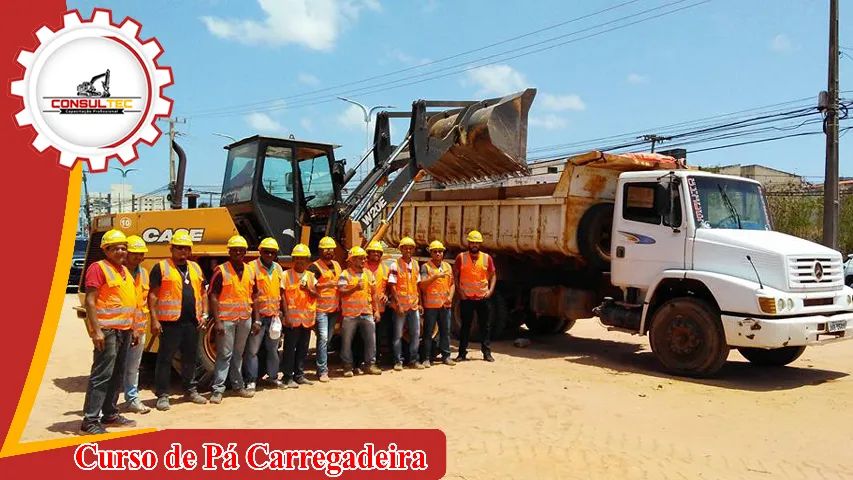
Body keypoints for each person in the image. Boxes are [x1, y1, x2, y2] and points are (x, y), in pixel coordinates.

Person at [80, 230, 138, 434]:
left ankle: (110, 413)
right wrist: (96, 331)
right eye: (116, 248)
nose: (121, 251)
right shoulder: (98, 268)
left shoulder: (124, 270)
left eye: (123, 247)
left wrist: (134, 328)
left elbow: (129, 301)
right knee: (102, 375)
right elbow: (90, 301)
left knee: (117, 374)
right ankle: (90, 420)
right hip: (107, 330)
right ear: (106, 250)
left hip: (124, 330)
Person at [148, 230, 209, 411]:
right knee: (165, 359)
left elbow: (203, 292)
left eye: (186, 248)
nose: (183, 251)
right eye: (179, 248)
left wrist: (205, 314)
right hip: (170, 322)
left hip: (192, 322)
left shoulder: (196, 268)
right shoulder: (161, 267)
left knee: (190, 358)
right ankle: (163, 395)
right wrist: (154, 320)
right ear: (171, 248)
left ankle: (190, 390)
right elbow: (152, 295)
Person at [208, 235, 257, 404]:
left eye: (241, 250)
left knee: (238, 354)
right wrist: (218, 321)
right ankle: (218, 390)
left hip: (244, 319)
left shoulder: (250, 270)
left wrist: (256, 319)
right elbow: (213, 296)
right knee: (224, 354)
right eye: (234, 250)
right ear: (229, 251)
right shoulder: (221, 271)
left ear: (245, 252)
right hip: (226, 320)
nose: (238, 252)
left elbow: (255, 296)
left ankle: (238, 386)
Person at [244, 237, 284, 391]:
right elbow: (250, 293)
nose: (269, 255)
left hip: (273, 317)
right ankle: (251, 380)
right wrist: (256, 319)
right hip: (258, 317)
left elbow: (280, 292)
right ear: (260, 251)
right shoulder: (251, 267)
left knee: (273, 350)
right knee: (252, 351)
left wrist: (280, 312)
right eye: (266, 252)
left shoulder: (278, 269)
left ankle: (273, 377)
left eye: (272, 252)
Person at [337, 246, 382, 377]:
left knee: (370, 340)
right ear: (351, 260)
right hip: (350, 315)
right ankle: (347, 366)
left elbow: (374, 294)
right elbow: (341, 291)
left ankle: (370, 364)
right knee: (346, 341)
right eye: (360, 258)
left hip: (366, 312)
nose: (363, 261)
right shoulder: (345, 274)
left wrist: (377, 311)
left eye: (364, 258)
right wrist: (355, 287)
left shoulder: (368, 274)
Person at [453, 230, 497, 362]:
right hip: (467, 298)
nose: (474, 245)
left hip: (482, 297)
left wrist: (490, 291)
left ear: (480, 244)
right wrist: (460, 292)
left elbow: (493, 275)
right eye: (472, 242)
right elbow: (455, 274)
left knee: (485, 326)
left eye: (477, 243)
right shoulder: (461, 257)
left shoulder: (486, 258)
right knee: (465, 326)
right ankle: (461, 353)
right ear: (468, 243)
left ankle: (487, 353)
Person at [280, 243, 319, 388]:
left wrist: (308, 289)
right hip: (292, 320)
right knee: (289, 349)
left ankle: (299, 375)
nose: (300, 261)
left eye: (303, 259)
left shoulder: (311, 277)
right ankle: (287, 376)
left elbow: (316, 295)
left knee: (303, 349)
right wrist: (287, 315)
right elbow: (282, 296)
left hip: (306, 320)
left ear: (308, 261)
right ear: (293, 260)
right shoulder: (285, 275)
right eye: (297, 258)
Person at [122, 235, 151, 414]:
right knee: (114, 368)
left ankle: (132, 399)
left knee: (133, 366)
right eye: (135, 254)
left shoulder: (144, 273)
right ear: (127, 253)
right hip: (120, 329)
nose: (139, 257)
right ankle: (106, 406)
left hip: (139, 328)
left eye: (141, 254)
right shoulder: (118, 273)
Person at [307, 236, 342, 382]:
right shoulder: (314, 267)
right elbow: (309, 286)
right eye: (326, 249)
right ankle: (322, 370)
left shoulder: (337, 265)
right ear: (320, 250)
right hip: (321, 309)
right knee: (323, 338)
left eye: (331, 249)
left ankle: (322, 365)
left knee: (327, 340)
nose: (329, 251)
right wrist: (325, 286)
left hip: (334, 309)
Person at [418, 240, 456, 367]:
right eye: (435, 251)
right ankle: (426, 358)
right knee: (428, 333)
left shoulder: (447, 267)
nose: (438, 253)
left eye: (440, 251)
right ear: (431, 253)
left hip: (445, 305)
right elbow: (422, 285)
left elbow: (452, 284)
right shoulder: (425, 267)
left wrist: (450, 297)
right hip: (431, 306)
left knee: (446, 331)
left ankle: (446, 356)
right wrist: (435, 277)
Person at [388, 236, 423, 370]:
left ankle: (414, 360)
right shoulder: (395, 265)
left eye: (410, 248)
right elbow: (393, 286)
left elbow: (417, 285)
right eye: (405, 248)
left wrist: (419, 303)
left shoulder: (415, 264)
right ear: (401, 249)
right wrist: (398, 305)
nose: (408, 250)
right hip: (400, 306)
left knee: (415, 334)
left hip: (413, 305)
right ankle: (398, 361)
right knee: (398, 335)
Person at [364, 240, 391, 365]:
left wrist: (386, 295)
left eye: (378, 252)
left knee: (379, 336)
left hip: (380, 308)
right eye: (373, 251)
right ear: (368, 253)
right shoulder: (362, 267)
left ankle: (377, 360)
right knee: (363, 336)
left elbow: (390, 287)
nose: (375, 254)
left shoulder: (386, 268)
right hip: (365, 308)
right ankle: (363, 360)